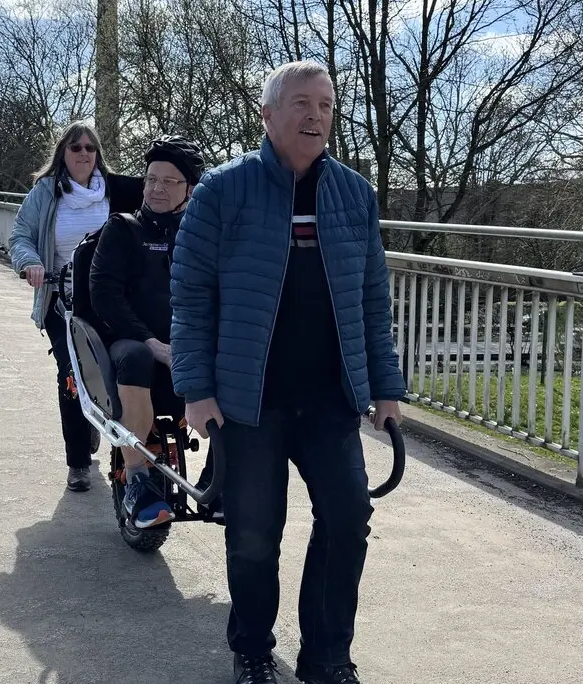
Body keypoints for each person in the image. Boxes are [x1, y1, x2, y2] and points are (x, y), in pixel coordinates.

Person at [169, 60, 406, 684]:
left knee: (349, 518)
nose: (316, 116)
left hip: (329, 399)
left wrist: (385, 388)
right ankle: (252, 651)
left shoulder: (353, 195)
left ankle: (327, 658)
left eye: (326, 105)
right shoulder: (223, 192)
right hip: (250, 402)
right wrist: (197, 389)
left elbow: (373, 302)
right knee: (253, 536)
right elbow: (191, 296)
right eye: (301, 103)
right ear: (269, 114)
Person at [9, 121, 143, 492]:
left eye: (89, 148)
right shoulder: (45, 193)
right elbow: (19, 236)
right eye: (75, 148)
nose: (83, 153)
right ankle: (79, 462)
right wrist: (30, 262)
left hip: (111, 298)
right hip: (63, 301)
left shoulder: (117, 191)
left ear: (98, 154)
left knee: (116, 366)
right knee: (72, 375)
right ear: (62, 154)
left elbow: (163, 197)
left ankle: (100, 422)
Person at [88, 135, 207, 529]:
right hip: (130, 341)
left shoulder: (201, 235)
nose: (156, 188)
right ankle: (138, 479)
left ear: (189, 190)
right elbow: (105, 294)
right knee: (137, 358)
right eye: (151, 179)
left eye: (169, 182)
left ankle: (221, 477)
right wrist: (151, 342)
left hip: (185, 342)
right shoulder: (123, 228)